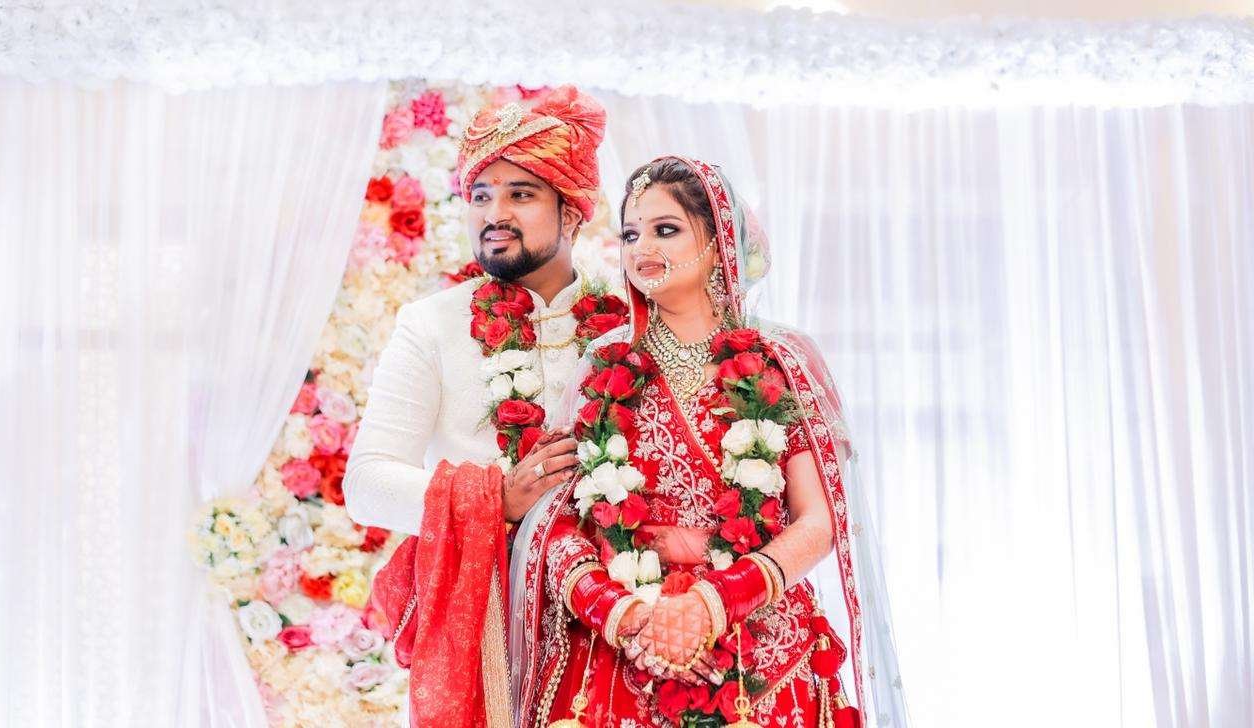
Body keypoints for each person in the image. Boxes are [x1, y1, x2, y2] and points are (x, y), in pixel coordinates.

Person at [507, 157, 908, 727]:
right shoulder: (603, 365)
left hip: (757, 642)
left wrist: (710, 605)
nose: (643, 247)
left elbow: (820, 521)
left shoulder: (781, 361)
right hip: (623, 647)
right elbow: (559, 521)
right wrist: (624, 615)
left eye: (665, 229)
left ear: (719, 243)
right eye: (631, 234)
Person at [345, 86, 629, 727]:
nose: (494, 214)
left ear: (572, 211)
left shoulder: (625, 329)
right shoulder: (431, 325)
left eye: (520, 194)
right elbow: (366, 484)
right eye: (480, 195)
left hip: (615, 621)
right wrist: (497, 498)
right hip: (487, 629)